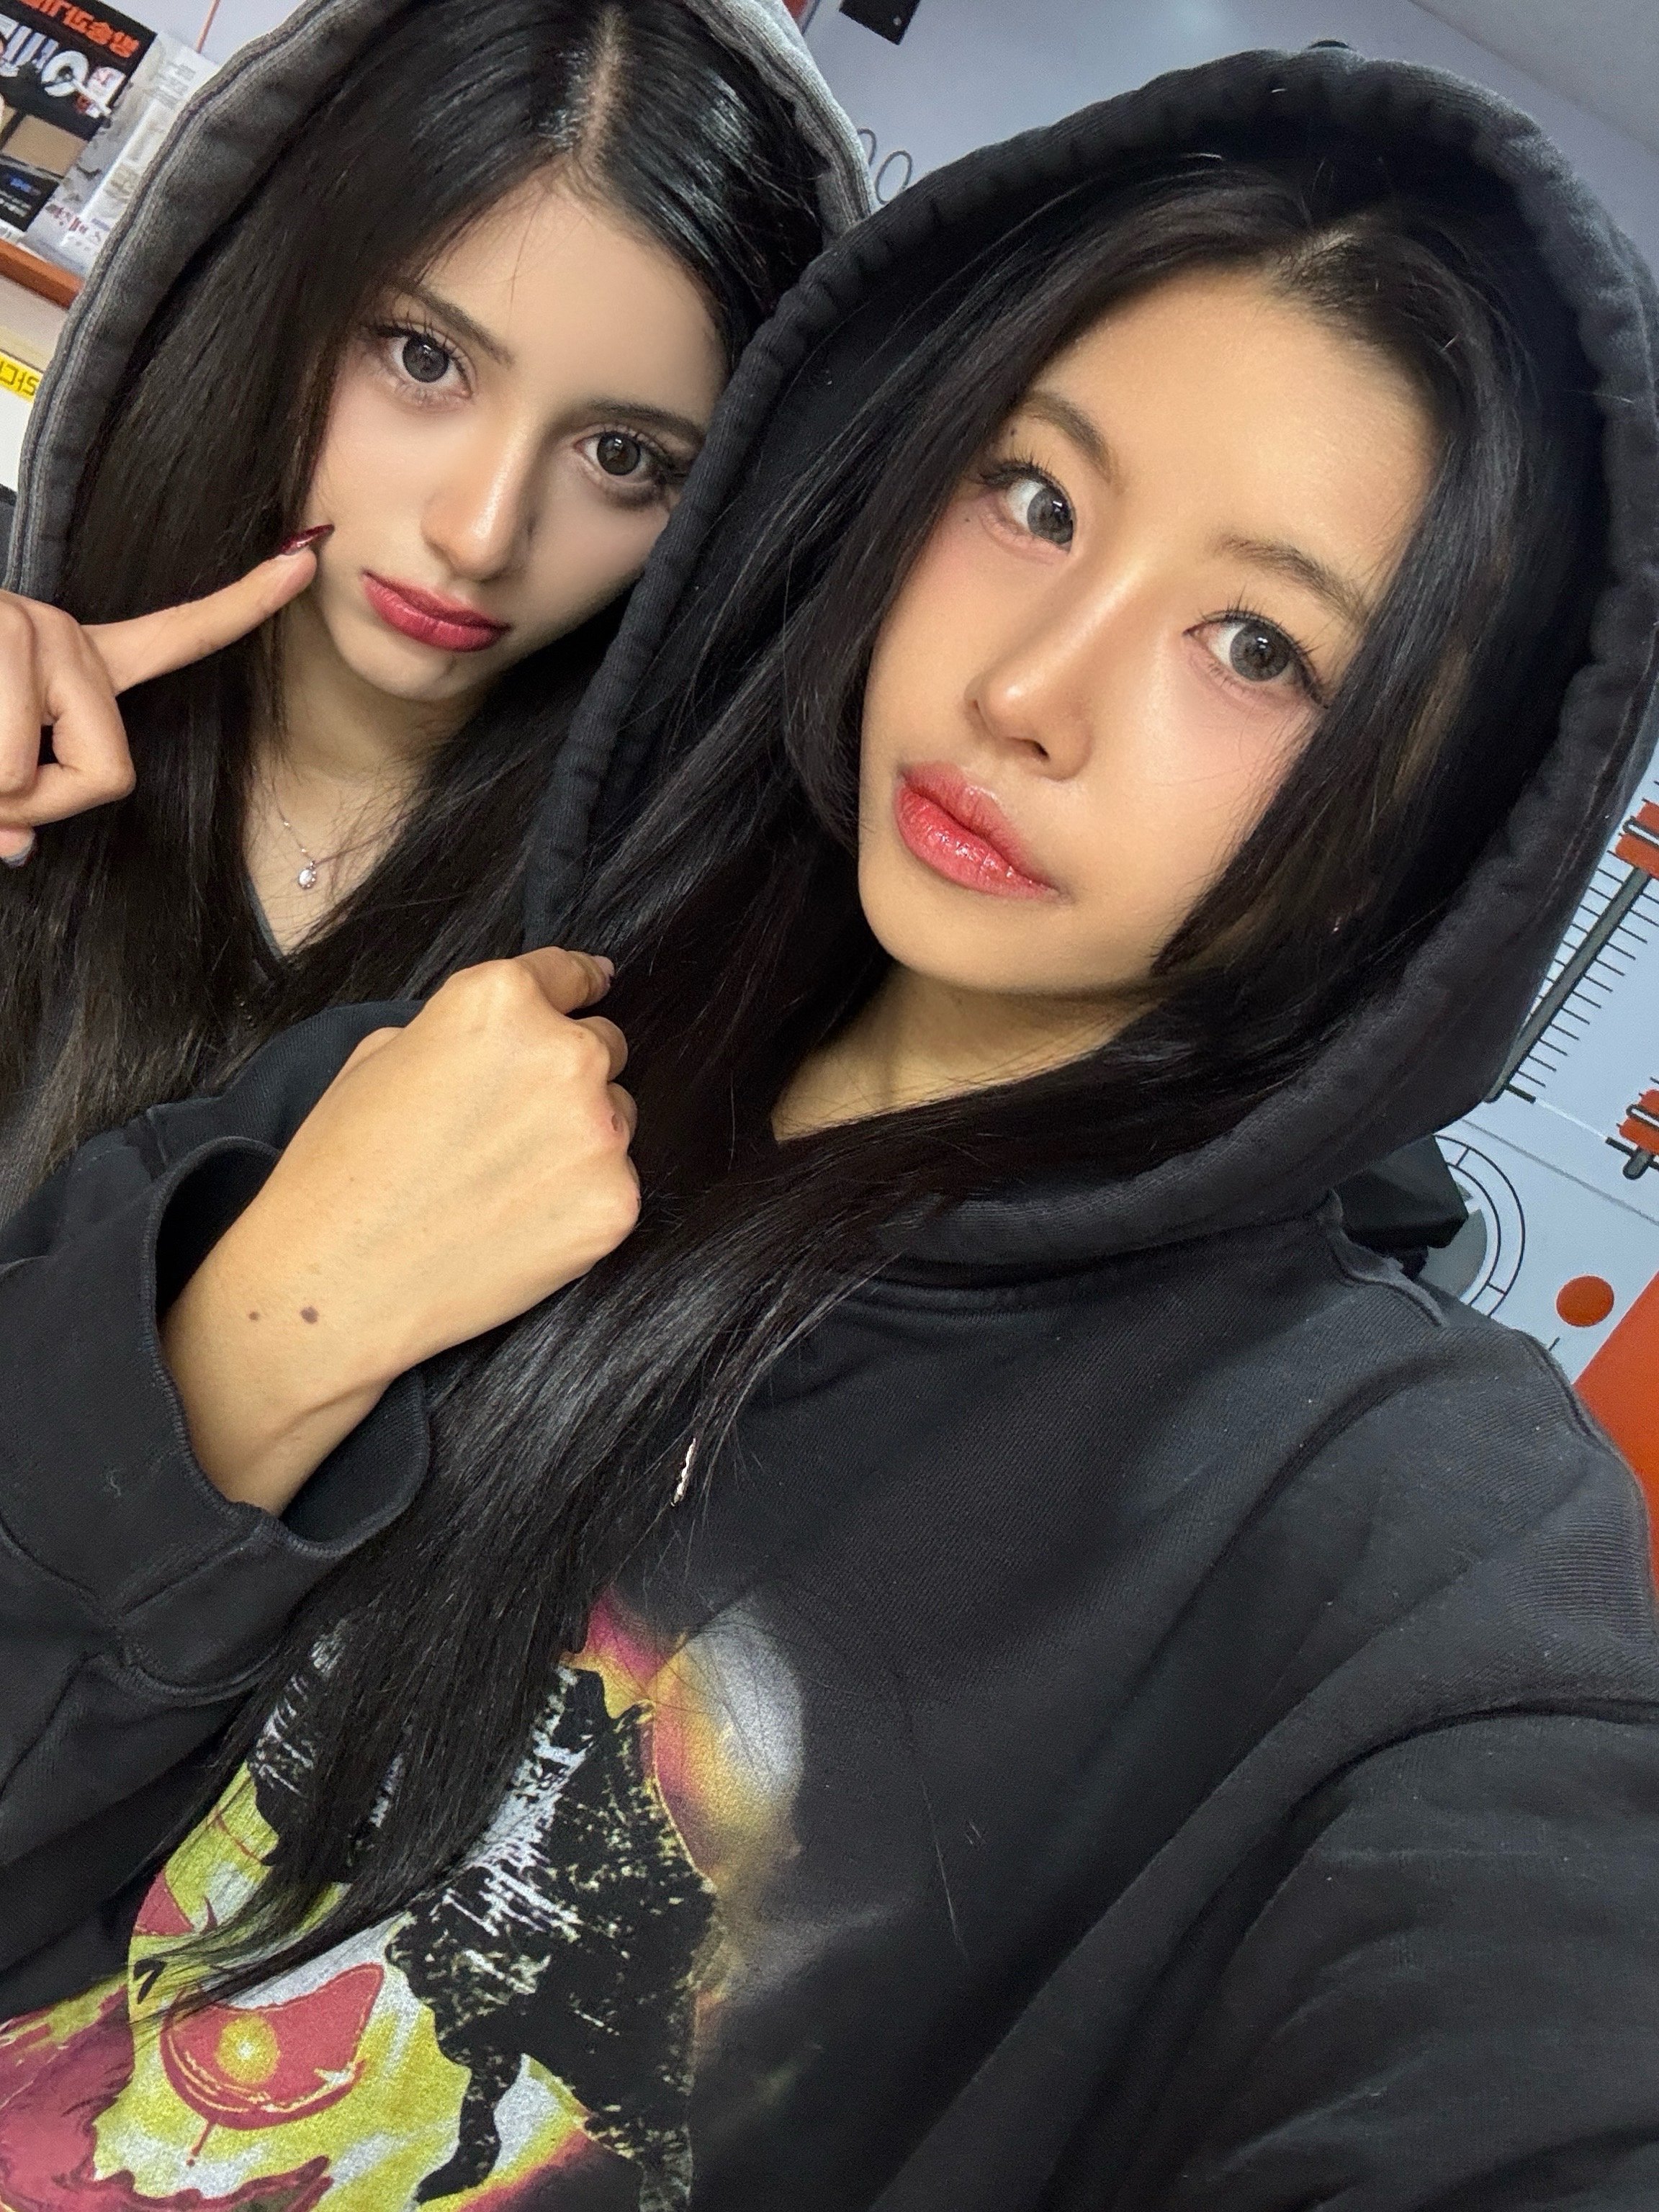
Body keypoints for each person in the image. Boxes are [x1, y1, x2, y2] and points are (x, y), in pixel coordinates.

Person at [4, 42, 1659, 2211]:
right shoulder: (461, 1065)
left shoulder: (1387, 1521)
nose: (1026, 690)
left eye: (1258, 646)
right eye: (1036, 500)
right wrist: (262, 1334)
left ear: (1419, 842)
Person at [0, 0, 867, 1215]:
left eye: (623, 457)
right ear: (274, 309)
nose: (480, 534)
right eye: (424, 360)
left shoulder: (666, 948)